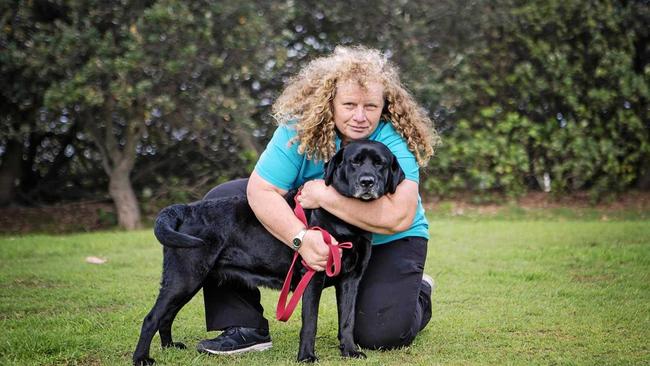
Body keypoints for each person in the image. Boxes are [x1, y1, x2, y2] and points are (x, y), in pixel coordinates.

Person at [196, 45, 440, 355]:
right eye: (349, 104)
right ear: (330, 102)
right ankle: (243, 325)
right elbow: (260, 191)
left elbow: (398, 217)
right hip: (316, 229)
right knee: (222, 201)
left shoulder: (394, 138)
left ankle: (417, 293)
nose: (360, 117)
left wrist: (324, 195)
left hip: (387, 240)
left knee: (381, 334)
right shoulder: (300, 129)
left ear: (385, 107)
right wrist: (300, 239)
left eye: (371, 106)